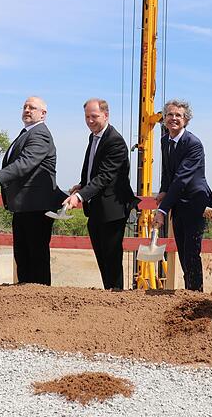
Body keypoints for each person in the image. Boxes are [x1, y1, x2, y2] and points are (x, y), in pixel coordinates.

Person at [0, 96, 65, 285]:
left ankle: (39, 302)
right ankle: (25, 302)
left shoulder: (40, 134)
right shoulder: (26, 133)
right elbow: (20, 164)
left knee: (36, 259)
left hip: (37, 207)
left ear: (43, 114)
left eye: (32, 107)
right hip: (24, 206)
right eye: (25, 107)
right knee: (23, 258)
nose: (27, 110)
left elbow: (25, 163)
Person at [63, 98, 140, 290]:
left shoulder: (115, 141)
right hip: (97, 208)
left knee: (112, 260)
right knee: (102, 258)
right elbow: (94, 169)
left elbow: (105, 176)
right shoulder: (94, 137)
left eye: (94, 116)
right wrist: (82, 185)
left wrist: (79, 197)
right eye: (87, 116)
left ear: (106, 115)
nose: (90, 121)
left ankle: (116, 299)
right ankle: (109, 297)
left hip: (112, 210)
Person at [152, 99, 212, 292]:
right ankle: (189, 291)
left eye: (178, 115)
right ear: (164, 119)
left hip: (195, 202)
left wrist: (162, 209)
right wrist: (164, 190)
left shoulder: (193, 144)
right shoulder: (165, 140)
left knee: (191, 252)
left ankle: (196, 295)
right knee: (182, 251)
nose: (173, 118)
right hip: (178, 202)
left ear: (186, 120)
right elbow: (167, 171)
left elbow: (181, 179)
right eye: (170, 115)